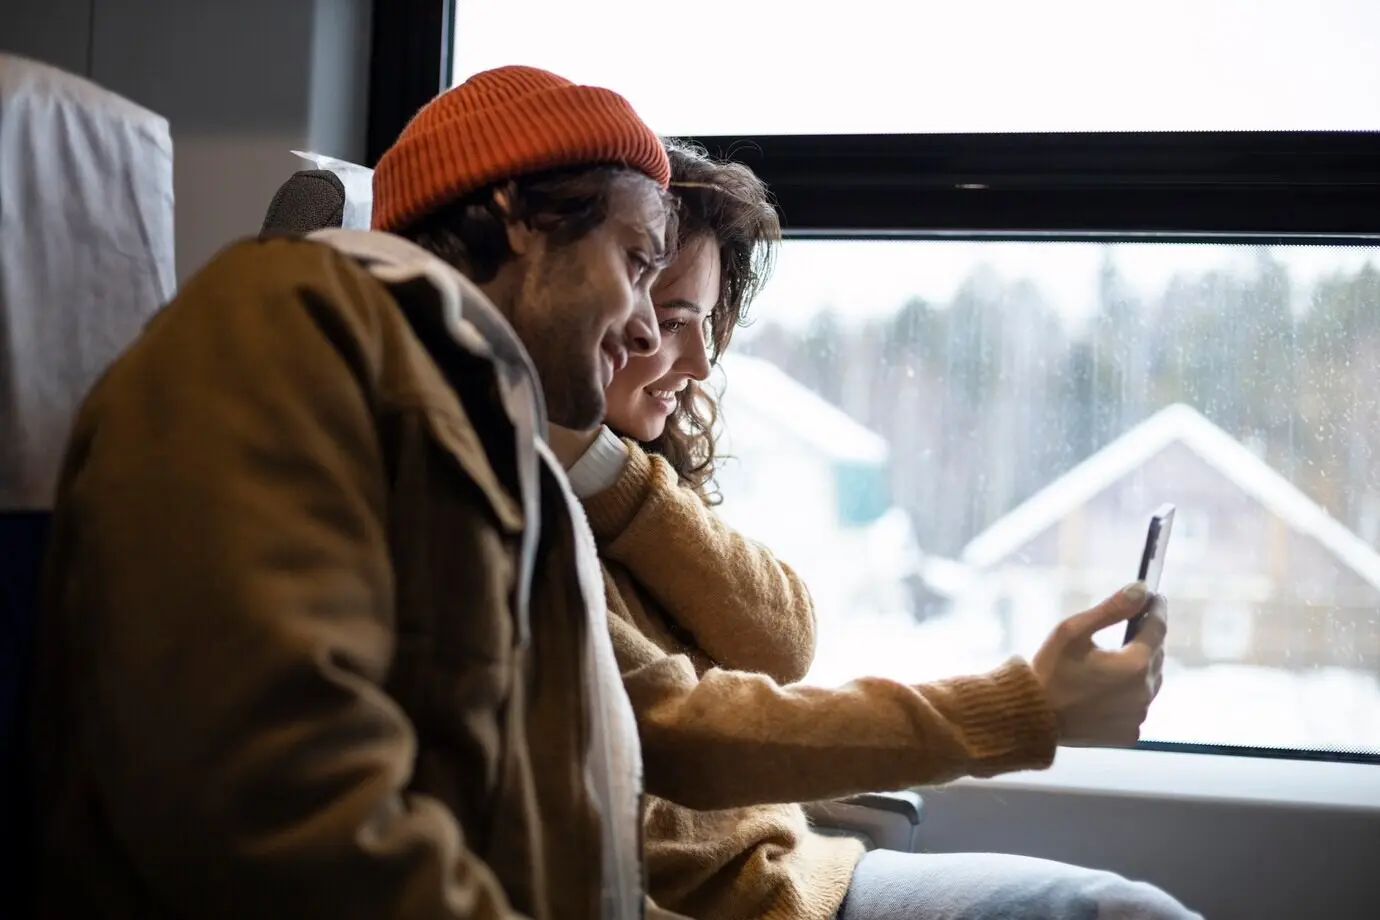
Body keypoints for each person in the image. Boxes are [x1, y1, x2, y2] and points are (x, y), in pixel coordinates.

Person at [28, 65, 682, 920]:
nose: (643, 327)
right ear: (521, 213)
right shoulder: (283, 321)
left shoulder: (494, 437)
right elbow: (270, 793)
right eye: (635, 263)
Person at [546, 141, 1200, 920]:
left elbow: (782, 637)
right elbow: (681, 735)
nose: (692, 359)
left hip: (803, 876)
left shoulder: (621, 482)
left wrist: (611, 475)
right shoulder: (514, 508)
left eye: (705, 323)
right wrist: (1027, 707)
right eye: (670, 318)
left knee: (1118, 908)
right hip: (738, 905)